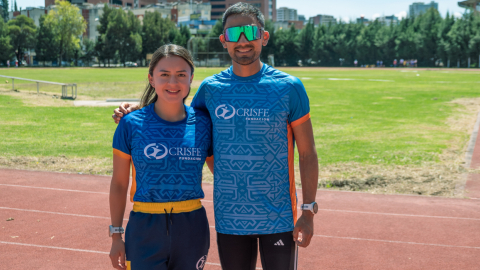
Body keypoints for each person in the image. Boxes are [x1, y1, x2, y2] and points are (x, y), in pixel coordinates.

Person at [113, 3, 319, 270]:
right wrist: (138, 111)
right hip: (230, 218)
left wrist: (308, 210)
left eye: (250, 32)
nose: (242, 41)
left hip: (279, 217)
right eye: (234, 34)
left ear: (264, 36)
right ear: (223, 40)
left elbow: (307, 153)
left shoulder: (290, 87)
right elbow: (178, 111)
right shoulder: (211, 89)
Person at [109, 44, 213, 270]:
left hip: (192, 227)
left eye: (181, 75)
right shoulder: (130, 124)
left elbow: (222, 173)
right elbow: (118, 183)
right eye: (164, 74)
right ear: (151, 78)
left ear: (191, 78)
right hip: (145, 228)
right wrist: (116, 234)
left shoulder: (205, 123)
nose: (173, 82)